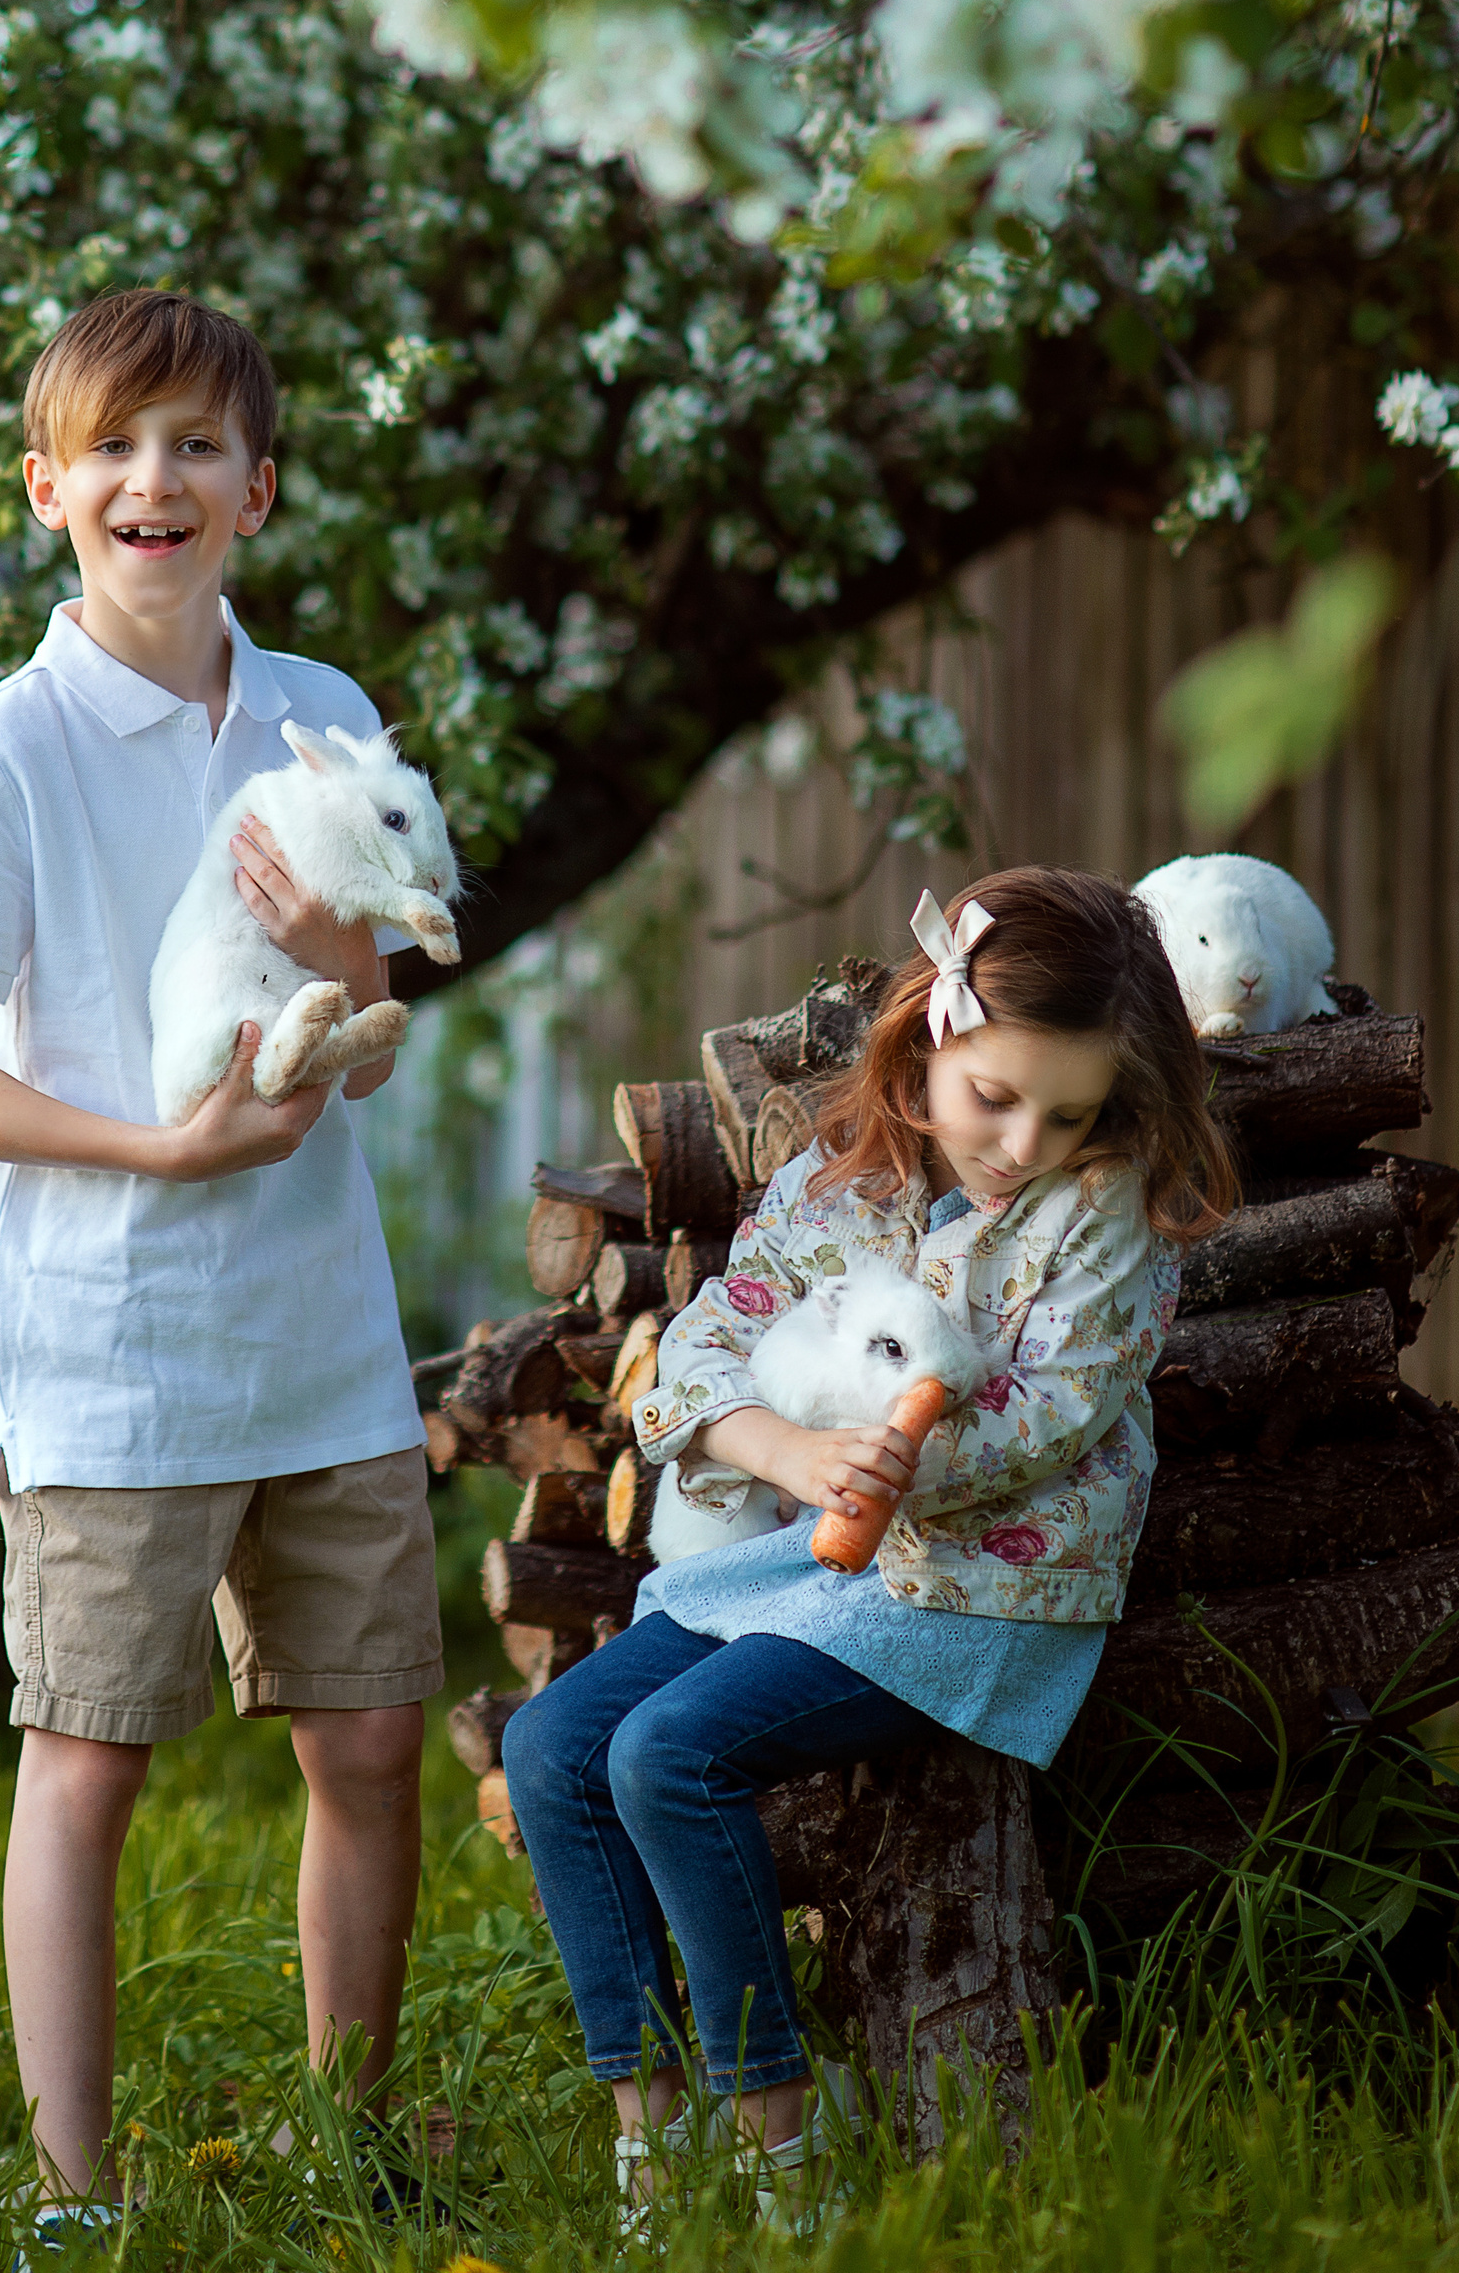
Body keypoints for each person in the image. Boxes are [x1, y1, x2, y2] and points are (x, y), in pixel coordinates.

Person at [0, 289, 444, 2259]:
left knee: (366, 1739)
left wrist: (339, 948)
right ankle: (70, 2195)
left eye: (194, 444)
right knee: (88, 1754)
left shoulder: (323, 717)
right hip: (114, 1344)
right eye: (112, 447)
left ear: (256, 491)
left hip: (319, 1328)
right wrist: (157, 1146)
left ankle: (344, 2141)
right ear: (46, 490)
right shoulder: (6, 746)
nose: (154, 478)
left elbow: (369, 1013)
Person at [502, 866, 1236, 2237]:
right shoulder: (840, 1185)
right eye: (997, 1097)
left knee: (672, 1756)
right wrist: (781, 1451)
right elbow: (705, 1345)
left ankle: (778, 2138)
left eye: (1071, 1112)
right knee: (553, 1752)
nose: (1025, 1141)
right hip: (812, 1560)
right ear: (931, 1040)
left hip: (987, 1583)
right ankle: (654, 2146)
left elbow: (1048, 1416)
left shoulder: (1106, 1217)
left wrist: (895, 1461)